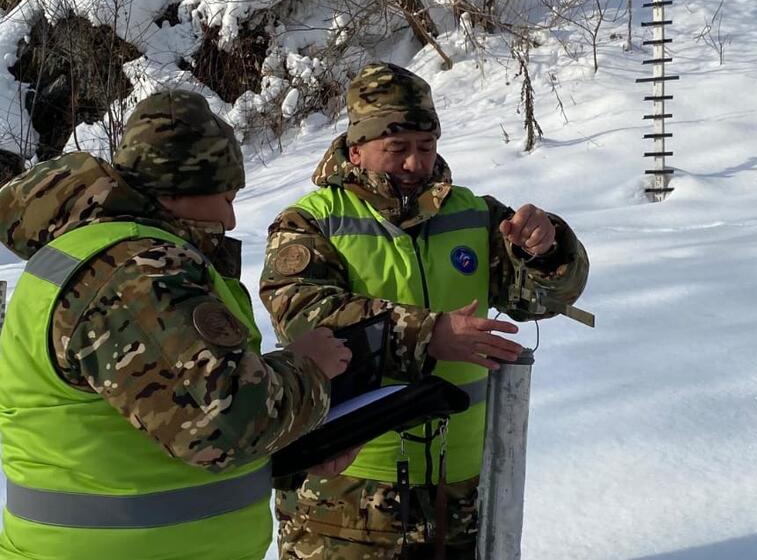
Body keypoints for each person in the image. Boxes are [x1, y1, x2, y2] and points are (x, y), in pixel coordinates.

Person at [0, 90, 353, 560]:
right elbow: (220, 425)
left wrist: (294, 450)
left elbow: (157, 414)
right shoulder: (134, 271)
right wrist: (309, 368)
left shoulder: (108, 254)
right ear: (175, 190)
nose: (230, 217)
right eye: (225, 197)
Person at [259, 63, 590, 559]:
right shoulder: (311, 221)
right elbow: (307, 317)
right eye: (397, 149)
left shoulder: (475, 214)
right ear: (357, 150)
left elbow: (543, 298)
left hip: (458, 493)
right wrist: (427, 333)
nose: (415, 163)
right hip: (345, 499)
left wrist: (548, 249)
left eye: (426, 146)